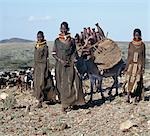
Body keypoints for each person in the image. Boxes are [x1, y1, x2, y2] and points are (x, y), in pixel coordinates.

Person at [52, 22, 85, 113]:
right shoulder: (57, 41)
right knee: (62, 85)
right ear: (60, 29)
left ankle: (74, 102)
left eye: (65, 28)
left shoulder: (72, 40)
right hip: (60, 66)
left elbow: (75, 53)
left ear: (68, 29)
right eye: (62, 28)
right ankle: (64, 104)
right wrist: (61, 60)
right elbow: (53, 54)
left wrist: (75, 59)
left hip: (70, 64)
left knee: (74, 82)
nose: (63, 30)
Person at [34, 31, 56, 108]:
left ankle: (48, 99)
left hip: (43, 67)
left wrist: (46, 69)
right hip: (37, 68)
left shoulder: (44, 47)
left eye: (40, 37)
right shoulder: (36, 45)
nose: (39, 38)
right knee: (37, 84)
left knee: (43, 83)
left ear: (43, 37)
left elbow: (46, 58)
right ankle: (39, 99)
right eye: (38, 37)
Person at [124, 28, 146, 103]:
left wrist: (143, 67)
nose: (137, 36)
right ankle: (128, 95)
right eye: (135, 35)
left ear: (140, 35)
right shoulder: (131, 44)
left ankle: (137, 96)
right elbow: (129, 55)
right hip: (131, 65)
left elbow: (143, 56)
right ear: (134, 35)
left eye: (138, 35)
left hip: (139, 66)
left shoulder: (142, 45)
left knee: (138, 81)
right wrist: (126, 67)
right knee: (129, 80)